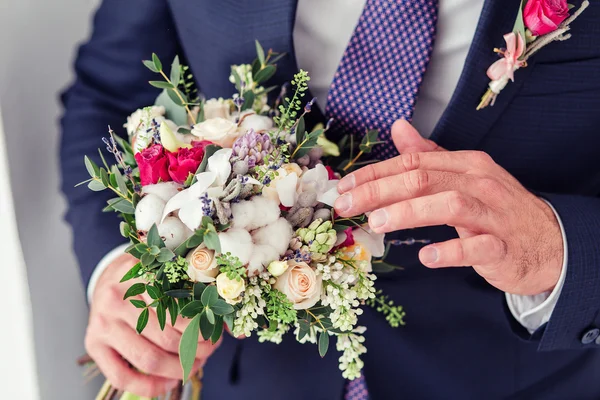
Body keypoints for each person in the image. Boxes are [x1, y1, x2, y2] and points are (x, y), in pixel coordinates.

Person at [60, 0, 600, 398]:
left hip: (517, 375)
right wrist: (119, 264)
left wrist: (561, 251)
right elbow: (111, 92)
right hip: (245, 374)